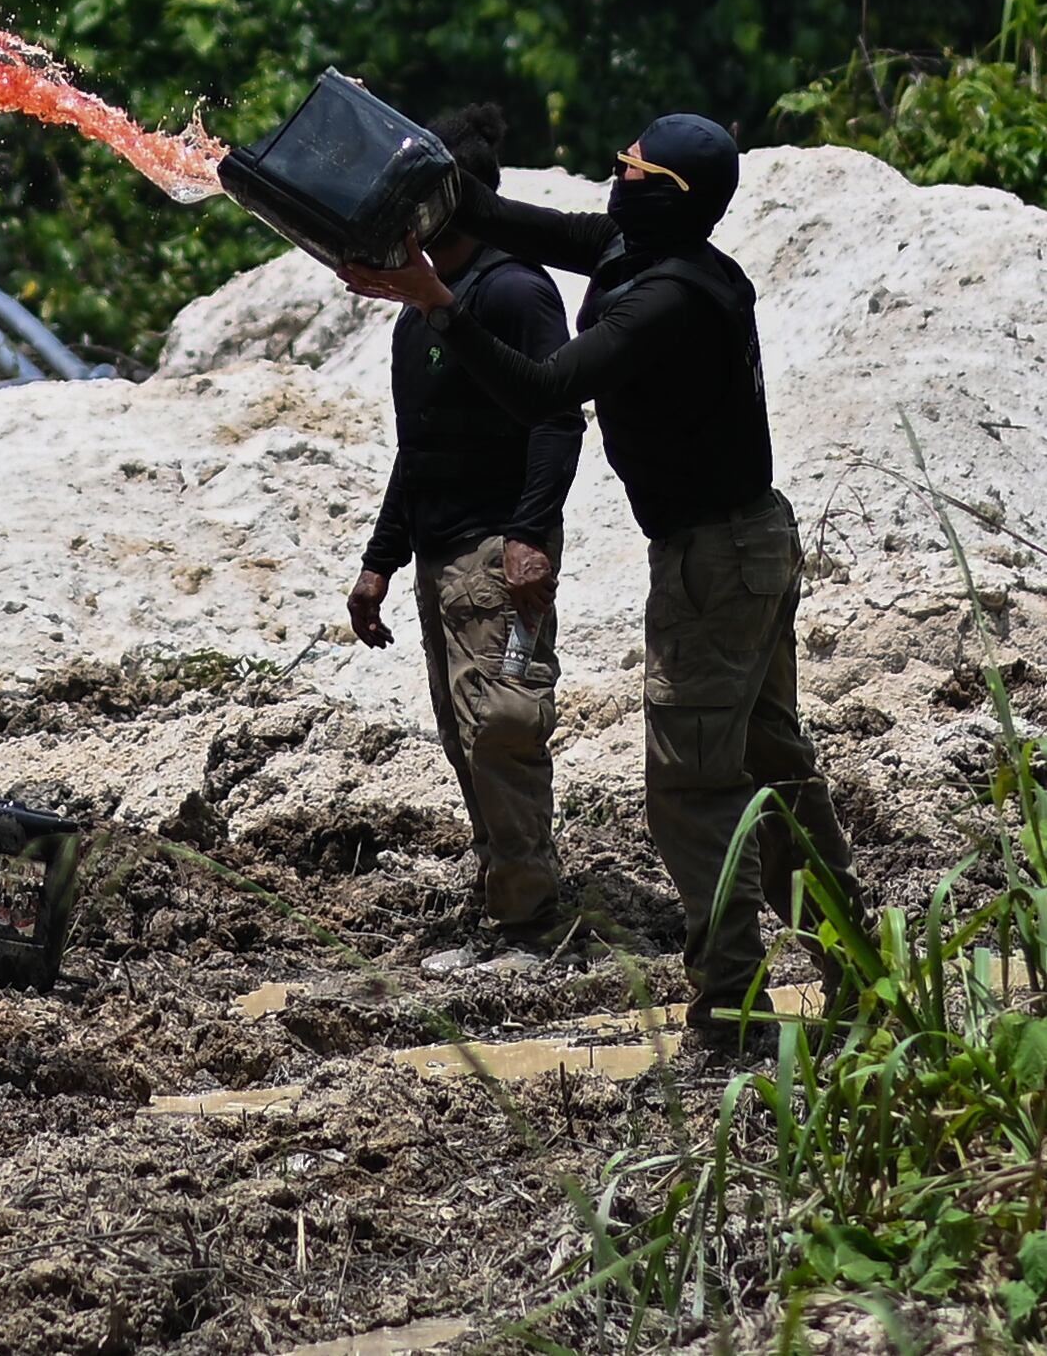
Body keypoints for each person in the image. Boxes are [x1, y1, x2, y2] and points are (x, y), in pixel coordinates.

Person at [341, 112, 854, 1048]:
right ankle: (861, 975)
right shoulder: (640, 250)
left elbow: (545, 390)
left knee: (692, 790)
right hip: (738, 550)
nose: (617, 177)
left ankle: (732, 1013)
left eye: (635, 170)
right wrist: (414, 170)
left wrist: (440, 304)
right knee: (773, 769)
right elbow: (512, 219)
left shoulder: (671, 296)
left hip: (715, 559)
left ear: (674, 198)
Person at [344, 104, 583, 937]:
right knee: (463, 735)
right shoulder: (417, 317)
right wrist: (379, 561)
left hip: (498, 549)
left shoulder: (515, 291)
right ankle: (506, 894)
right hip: (439, 557)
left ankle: (531, 919)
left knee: (502, 729)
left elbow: (558, 418)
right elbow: (417, 448)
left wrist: (529, 535)